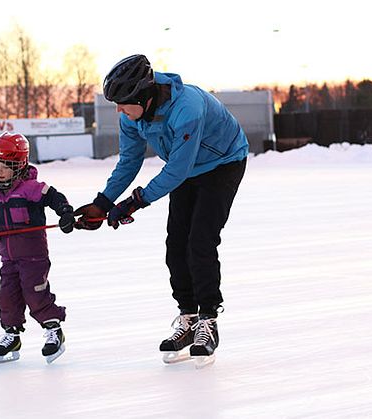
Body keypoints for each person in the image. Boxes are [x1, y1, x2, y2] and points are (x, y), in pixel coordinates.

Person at [73, 54, 249, 364]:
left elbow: (177, 171)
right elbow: (129, 161)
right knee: (175, 244)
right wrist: (102, 203)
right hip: (187, 168)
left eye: (123, 102)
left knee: (200, 241)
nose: (118, 110)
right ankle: (188, 318)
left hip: (223, 163)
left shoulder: (188, 109)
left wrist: (134, 201)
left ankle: (208, 319)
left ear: (144, 95)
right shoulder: (131, 115)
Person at [0, 132, 75, 364]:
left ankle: (53, 330)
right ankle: (12, 335)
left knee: (35, 292)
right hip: (8, 258)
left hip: (33, 256)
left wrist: (66, 213)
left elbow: (55, 197)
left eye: (6, 166)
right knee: (6, 297)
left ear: (19, 166)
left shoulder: (31, 188)